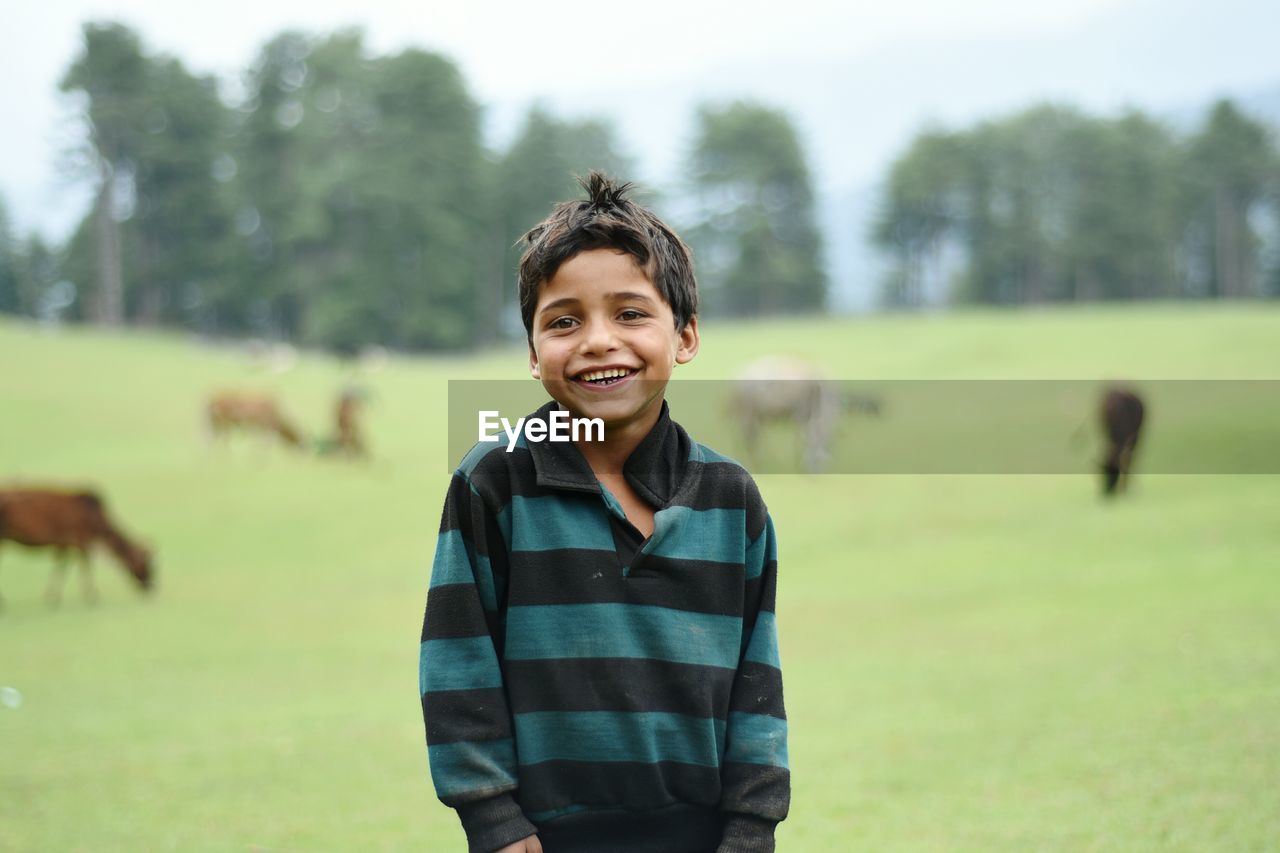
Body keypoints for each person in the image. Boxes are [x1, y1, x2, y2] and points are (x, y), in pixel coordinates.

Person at [419, 172, 789, 853]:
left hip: (702, 836)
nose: (597, 340)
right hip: (544, 838)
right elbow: (457, 660)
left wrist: (751, 826)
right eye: (564, 321)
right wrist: (492, 815)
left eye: (630, 313)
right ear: (534, 353)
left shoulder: (731, 498)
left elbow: (756, 681)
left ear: (685, 336)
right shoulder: (496, 482)